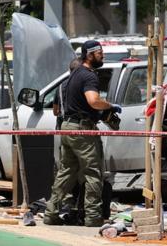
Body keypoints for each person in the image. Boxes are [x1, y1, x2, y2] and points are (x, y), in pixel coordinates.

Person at [44, 40, 122, 227]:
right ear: (89, 55)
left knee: (66, 172)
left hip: (68, 128)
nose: (102, 55)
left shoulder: (74, 74)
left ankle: (51, 213)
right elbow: (93, 101)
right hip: (82, 130)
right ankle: (93, 217)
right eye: (100, 52)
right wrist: (110, 105)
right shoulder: (88, 76)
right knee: (93, 172)